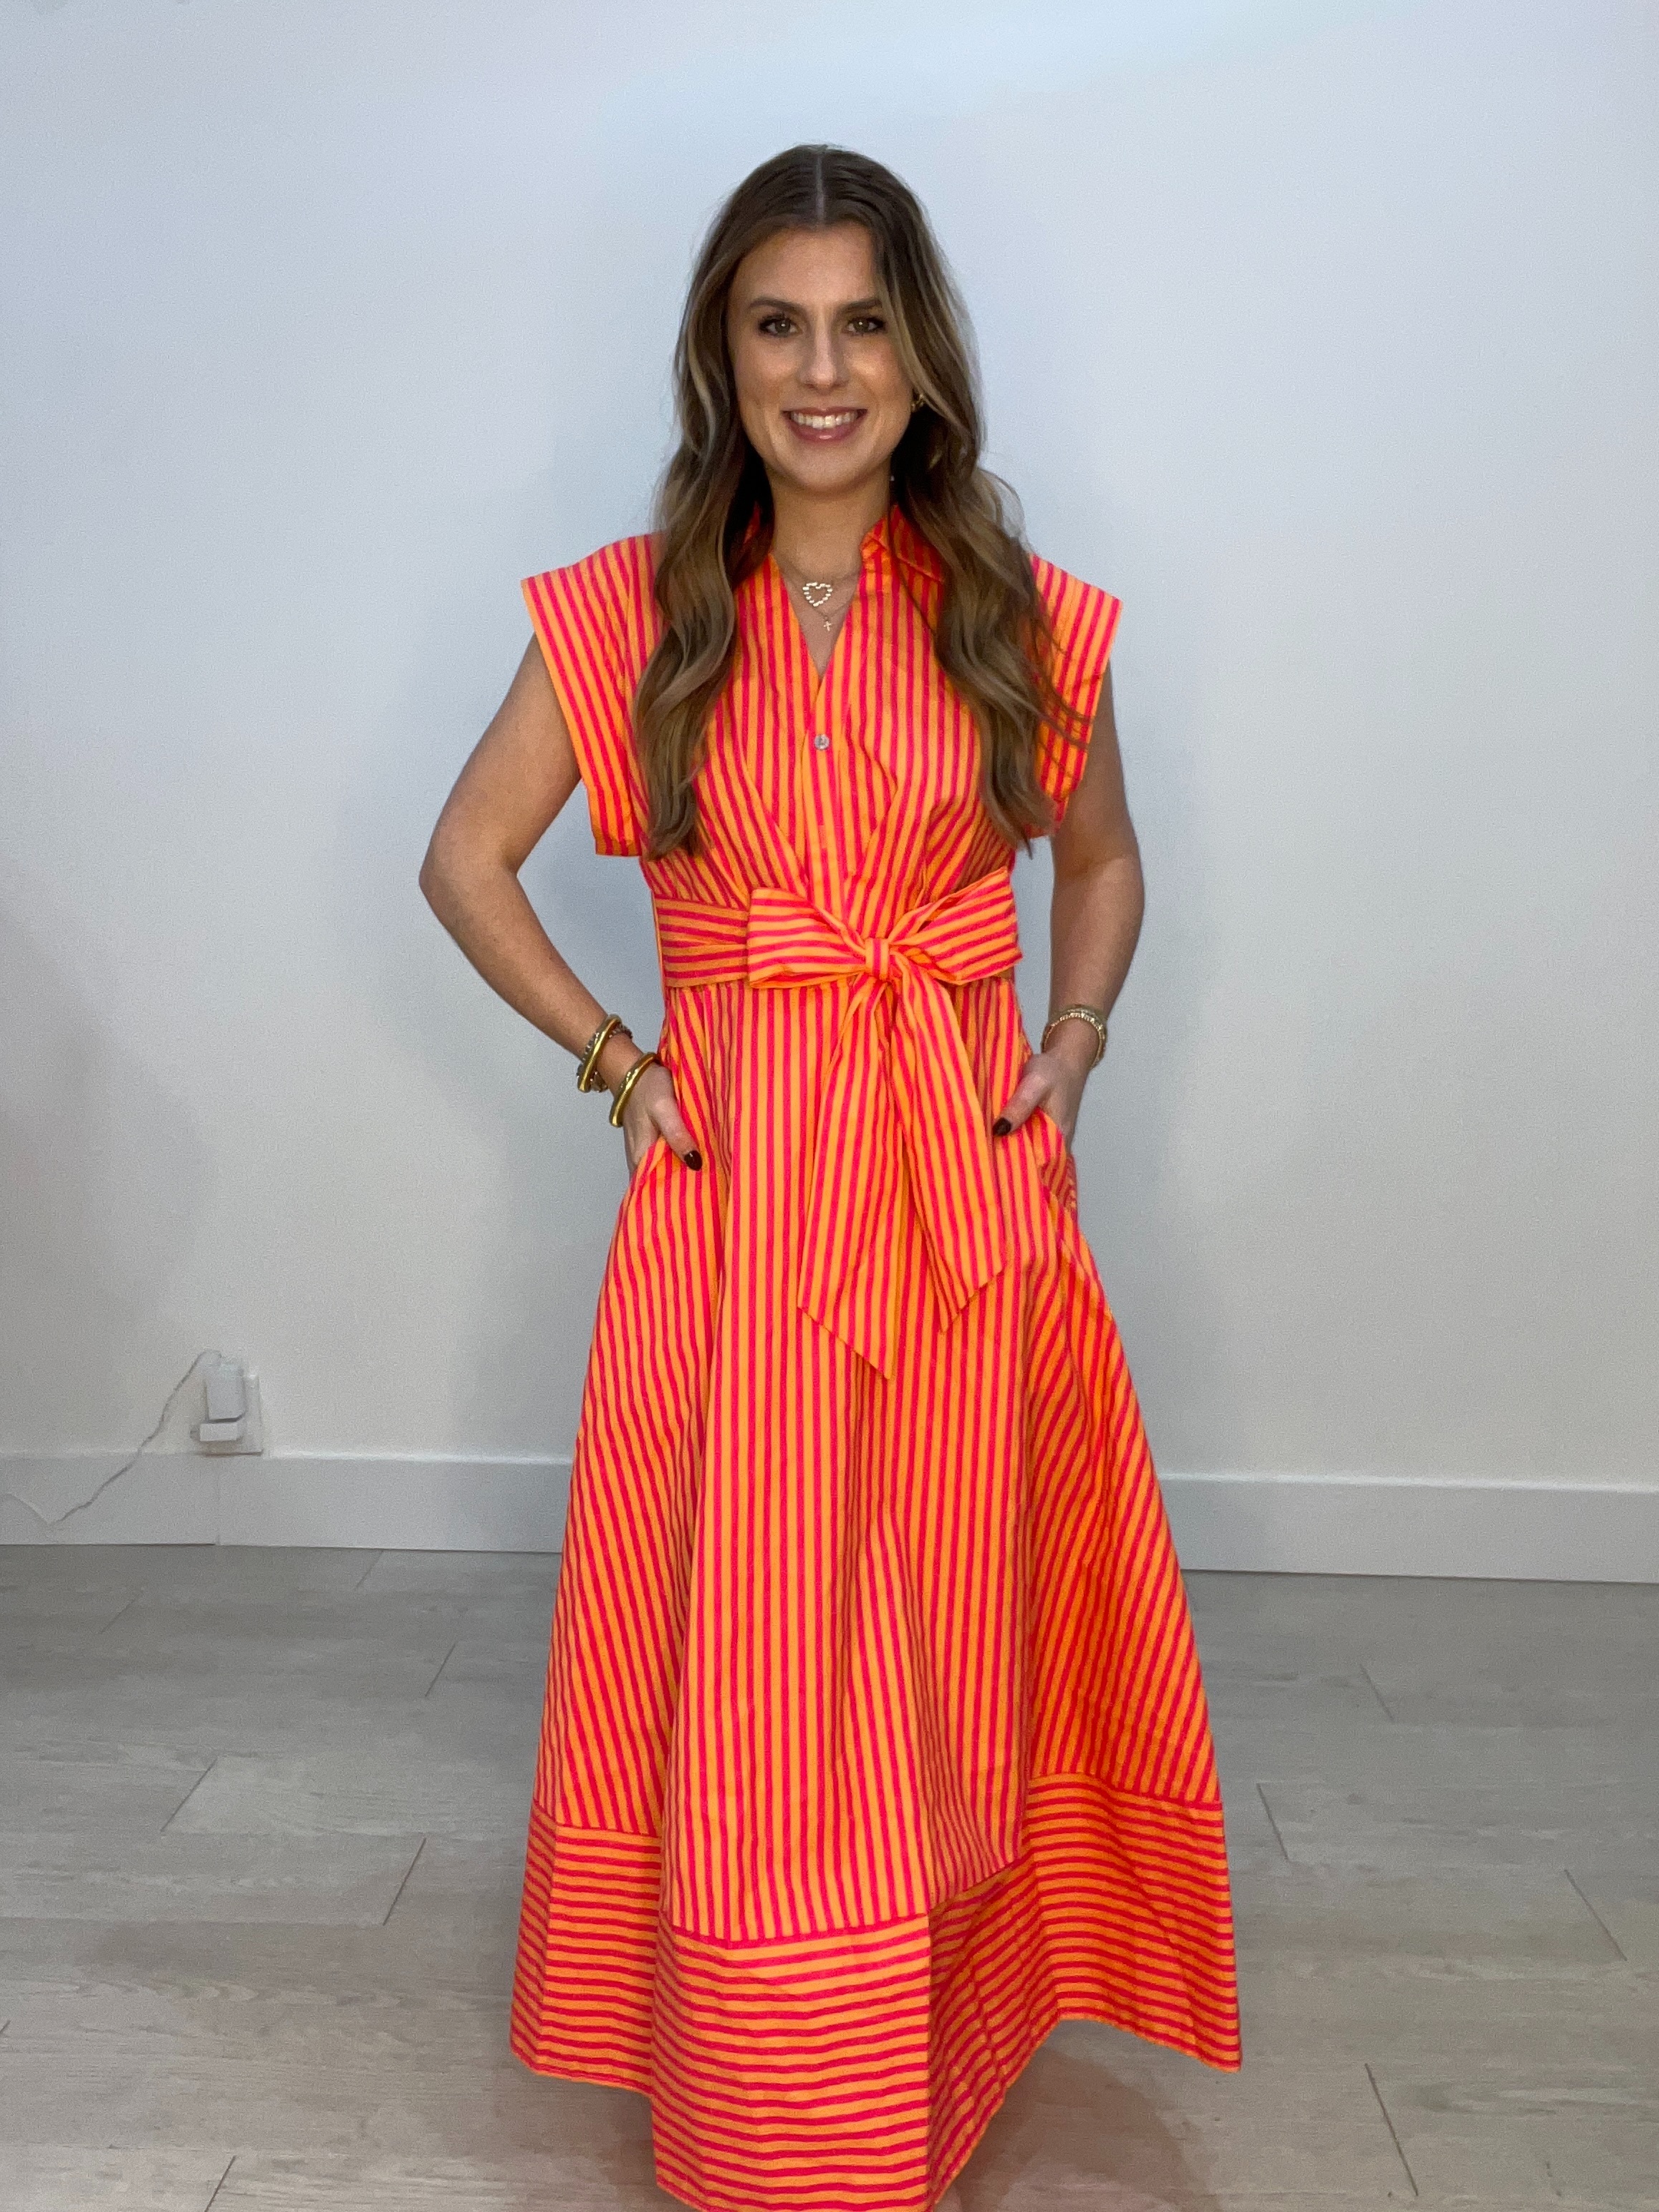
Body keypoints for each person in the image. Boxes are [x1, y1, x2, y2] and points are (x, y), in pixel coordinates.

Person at [420, 142, 1239, 2212]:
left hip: (960, 1197)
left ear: (920, 352)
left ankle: (938, 2028)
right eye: (775, 324)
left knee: (947, 1632)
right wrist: (622, 1065)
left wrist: (1071, 1046)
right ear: (720, 353)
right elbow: (463, 858)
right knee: (758, 1649)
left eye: (861, 323)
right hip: (737, 1198)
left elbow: (1105, 860)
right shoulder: (631, 613)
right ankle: (768, 2085)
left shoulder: (1019, 618)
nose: (821, 369)